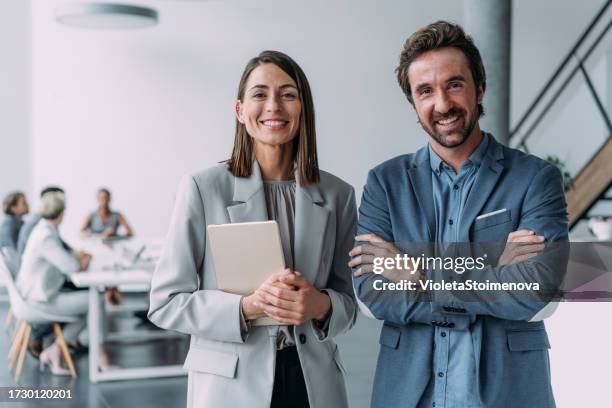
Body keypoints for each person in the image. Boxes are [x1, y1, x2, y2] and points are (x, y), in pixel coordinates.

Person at [350, 21, 568, 408]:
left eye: (454, 84)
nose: (443, 104)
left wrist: (418, 274)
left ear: (479, 87)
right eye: (425, 91)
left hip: (508, 393)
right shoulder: (385, 183)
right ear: (414, 104)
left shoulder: (536, 178)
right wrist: (494, 270)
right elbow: (374, 291)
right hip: (408, 395)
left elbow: (535, 287)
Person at [148, 50, 357, 408]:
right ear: (240, 111)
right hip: (232, 384)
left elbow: (350, 303)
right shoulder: (202, 188)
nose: (274, 105)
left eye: (288, 94)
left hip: (313, 382)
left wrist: (319, 305)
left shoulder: (338, 194)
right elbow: (166, 303)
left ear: (303, 108)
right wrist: (246, 307)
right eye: (260, 94)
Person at [16, 191, 113, 374]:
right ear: (61, 212)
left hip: (36, 295)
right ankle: (102, 360)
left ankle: (55, 351)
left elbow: (62, 257)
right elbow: (70, 267)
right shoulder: (46, 236)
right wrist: (81, 262)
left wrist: (75, 258)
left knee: (90, 306)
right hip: (39, 300)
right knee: (96, 301)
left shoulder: (43, 230)